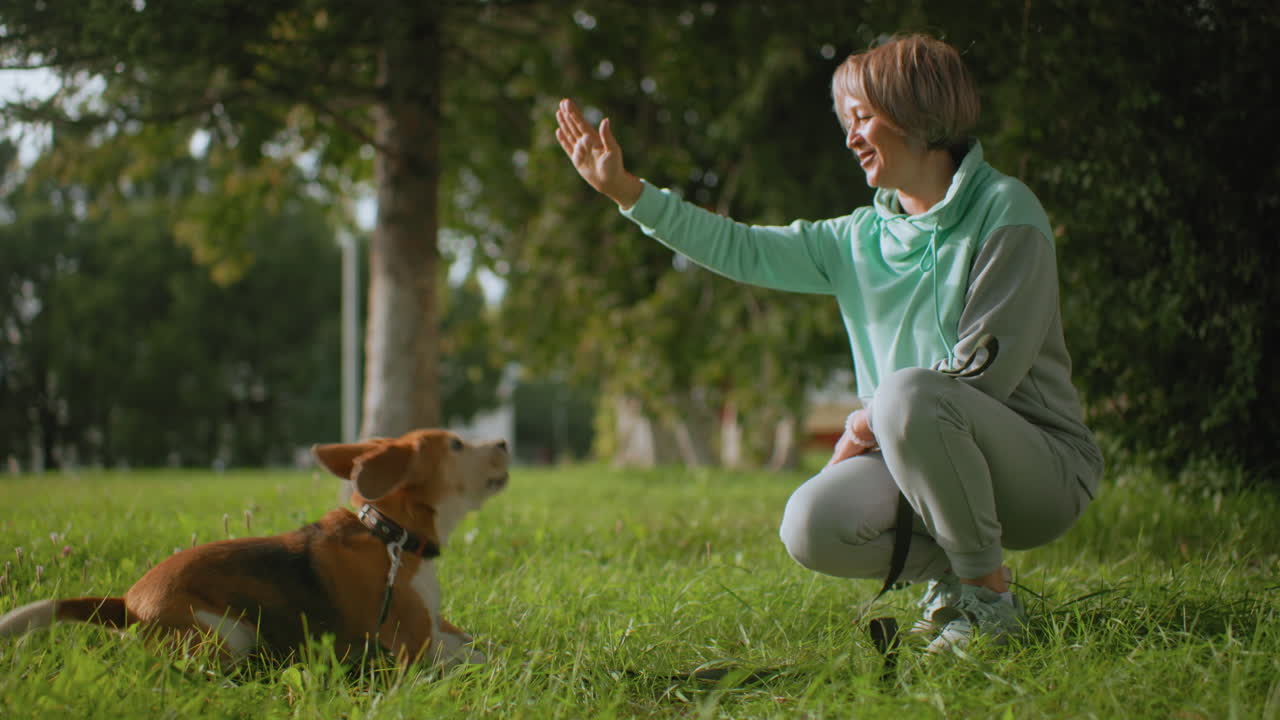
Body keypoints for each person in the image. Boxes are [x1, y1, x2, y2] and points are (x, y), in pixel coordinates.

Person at [554, 33, 1103, 653]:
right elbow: (742, 247)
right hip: (918, 456)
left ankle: (988, 605)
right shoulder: (855, 240)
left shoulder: (1006, 212)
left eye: (862, 117)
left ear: (918, 110)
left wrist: (869, 423)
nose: (850, 137)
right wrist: (630, 193)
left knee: (905, 396)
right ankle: (956, 579)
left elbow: (982, 377)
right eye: (846, 122)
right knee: (811, 526)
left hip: (1040, 473)